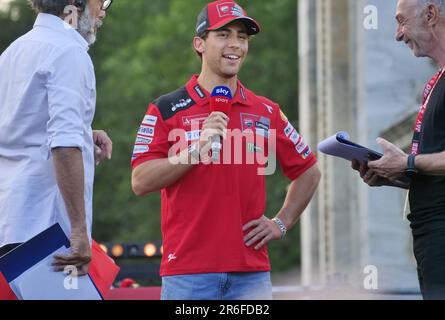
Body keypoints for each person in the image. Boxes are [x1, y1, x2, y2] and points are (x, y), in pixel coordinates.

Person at [131, 0, 321, 300]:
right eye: (223, 34)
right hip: (188, 276)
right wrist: (195, 150)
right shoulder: (165, 108)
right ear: (199, 43)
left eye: (242, 37)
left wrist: (281, 223)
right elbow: (140, 181)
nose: (235, 44)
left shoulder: (266, 110)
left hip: (252, 275)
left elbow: (309, 171)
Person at [0, 0, 113, 277]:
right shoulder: (69, 51)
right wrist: (78, 232)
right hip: (46, 233)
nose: (104, 11)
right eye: (101, 2)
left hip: (10, 223)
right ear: (74, 6)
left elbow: (20, 127)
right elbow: (64, 144)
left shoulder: (13, 51)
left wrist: (85, 133)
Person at [352, 0, 445, 300]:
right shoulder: (436, 81)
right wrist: (394, 173)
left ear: (431, 14)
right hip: (430, 245)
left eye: (402, 21)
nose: (397, 34)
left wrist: (408, 161)